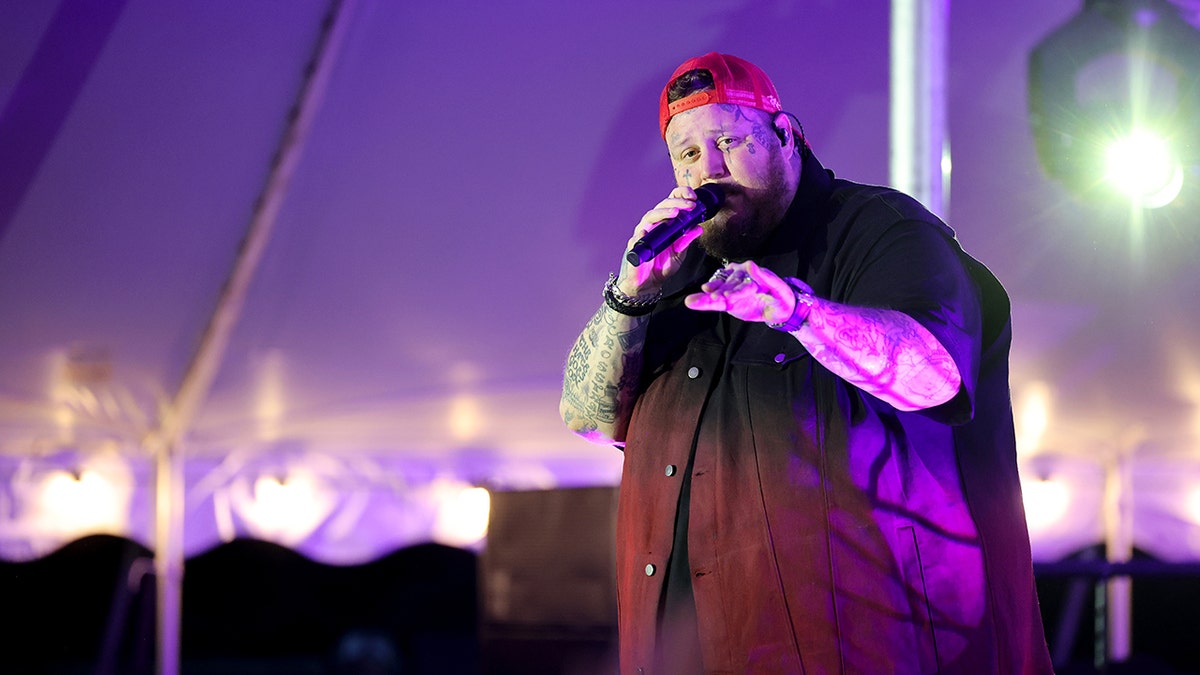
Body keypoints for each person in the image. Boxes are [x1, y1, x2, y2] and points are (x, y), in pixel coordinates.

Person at [559, 52, 1054, 674]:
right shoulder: (675, 270)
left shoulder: (879, 227)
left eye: (729, 141)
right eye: (688, 155)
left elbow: (932, 372)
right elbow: (586, 418)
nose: (709, 171)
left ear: (786, 136)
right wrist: (629, 292)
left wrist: (798, 313)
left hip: (846, 647)